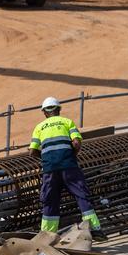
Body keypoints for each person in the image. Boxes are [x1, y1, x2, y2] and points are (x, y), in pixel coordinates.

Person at [30, 97, 104, 238]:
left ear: (44, 113)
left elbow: (32, 151)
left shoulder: (39, 127)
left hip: (50, 170)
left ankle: (47, 236)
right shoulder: (67, 122)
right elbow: (76, 143)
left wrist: (47, 159)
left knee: (50, 200)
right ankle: (94, 229)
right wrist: (71, 155)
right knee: (81, 195)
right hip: (69, 166)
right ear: (58, 109)